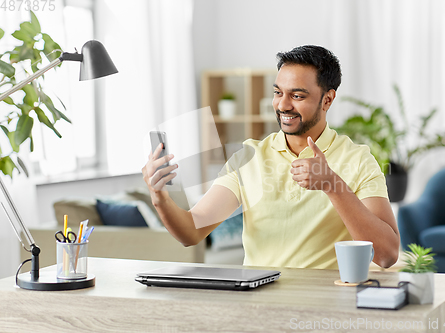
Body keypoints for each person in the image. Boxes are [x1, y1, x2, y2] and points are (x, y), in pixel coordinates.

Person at [142, 45, 399, 269]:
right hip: (258, 300)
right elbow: (191, 232)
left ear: (327, 99)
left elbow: (387, 255)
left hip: (325, 302)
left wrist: (333, 185)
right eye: (278, 92)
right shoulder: (248, 157)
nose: (283, 105)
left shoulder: (358, 159)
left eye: (297, 96)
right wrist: (159, 196)